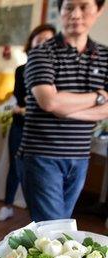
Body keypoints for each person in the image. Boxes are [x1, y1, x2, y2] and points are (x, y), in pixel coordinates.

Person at [20, 0, 108, 222]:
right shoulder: (42, 53)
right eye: (69, 7)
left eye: (83, 6)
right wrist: (98, 97)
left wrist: (64, 107)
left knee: (57, 226)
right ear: (60, 11)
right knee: (54, 228)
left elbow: (106, 111)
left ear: (99, 10)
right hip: (42, 154)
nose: (75, 14)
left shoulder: (105, 56)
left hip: (79, 156)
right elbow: (49, 102)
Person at [0, 24, 56, 222]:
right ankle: (7, 205)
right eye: (39, 40)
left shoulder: (58, 69)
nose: (43, 44)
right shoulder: (22, 70)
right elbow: (21, 99)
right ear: (31, 44)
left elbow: (54, 102)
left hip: (46, 130)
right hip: (21, 126)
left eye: (49, 41)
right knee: (16, 166)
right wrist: (40, 102)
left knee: (43, 170)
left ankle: (38, 214)